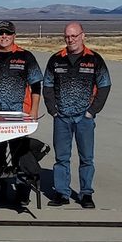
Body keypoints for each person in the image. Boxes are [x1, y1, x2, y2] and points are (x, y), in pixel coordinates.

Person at [43, 22, 112, 208]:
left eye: (74, 36)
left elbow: (105, 85)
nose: (70, 39)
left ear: (83, 35)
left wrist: (92, 111)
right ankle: (61, 193)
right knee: (61, 158)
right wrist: (53, 110)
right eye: (67, 36)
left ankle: (86, 194)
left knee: (86, 157)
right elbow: (47, 85)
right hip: (62, 117)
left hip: (84, 118)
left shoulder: (94, 59)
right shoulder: (56, 59)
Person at [0, 20, 43, 196]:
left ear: (14, 36)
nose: (4, 36)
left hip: (18, 115)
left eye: (7, 34)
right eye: (1, 33)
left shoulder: (25, 56)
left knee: (20, 154)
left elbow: (36, 85)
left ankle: (22, 192)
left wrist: (33, 110)